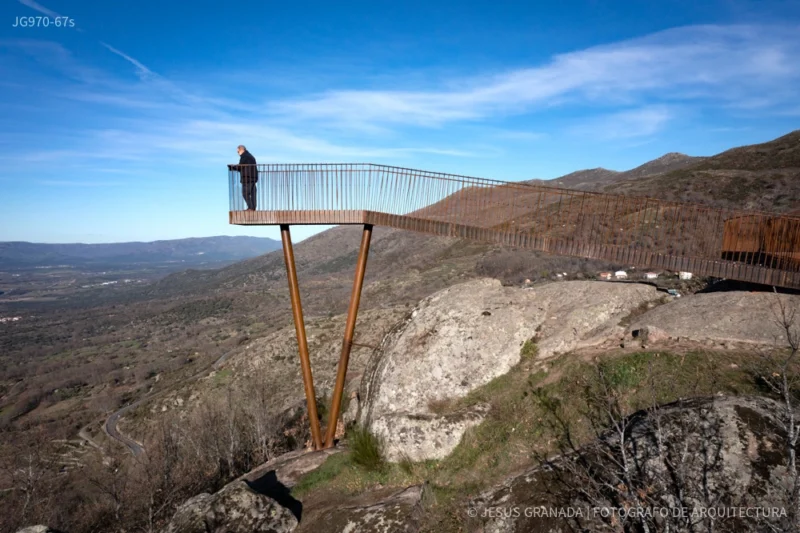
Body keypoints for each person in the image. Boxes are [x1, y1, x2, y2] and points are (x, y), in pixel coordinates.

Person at [229, 145, 258, 210]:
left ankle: (250, 208)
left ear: (241, 150)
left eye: (238, 151)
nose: (238, 153)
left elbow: (240, 167)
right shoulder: (251, 156)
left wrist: (232, 167)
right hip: (253, 177)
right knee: (253, 194)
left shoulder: (244, 156)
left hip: (247, 178)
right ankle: (253, 208)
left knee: (245, 193)